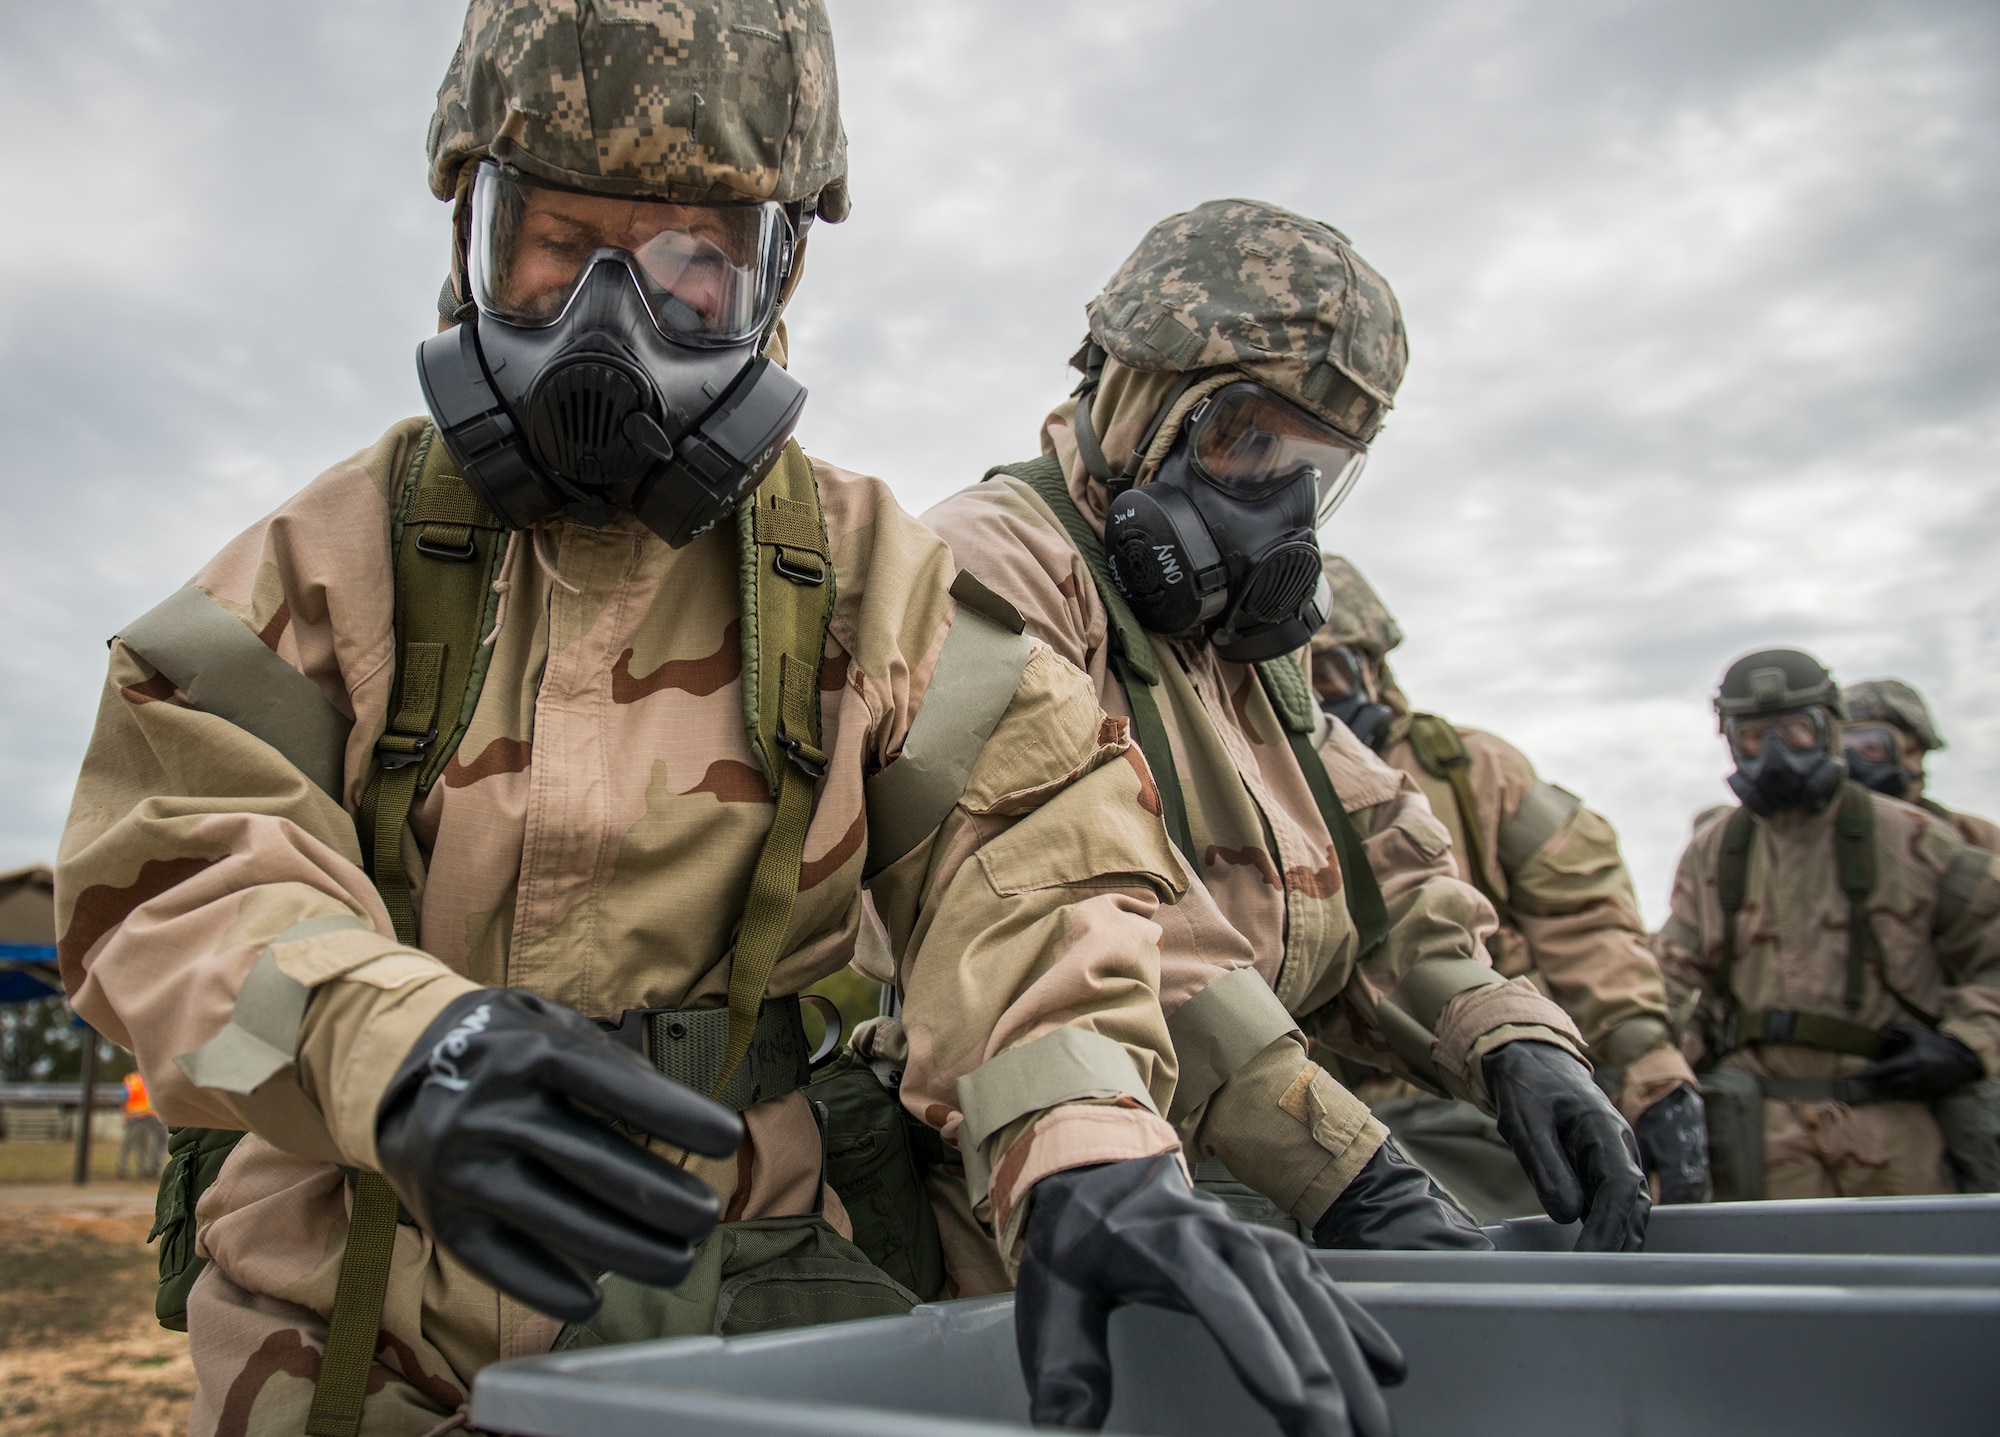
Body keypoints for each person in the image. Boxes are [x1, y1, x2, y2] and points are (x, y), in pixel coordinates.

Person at [53, 10, 1402, 1436]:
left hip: (730, 1315)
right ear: (469, 235)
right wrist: (393, 1049)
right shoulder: (337, 562)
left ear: (779, 273)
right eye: (558, 245)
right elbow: (175, 858)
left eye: (692, 266)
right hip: (354, 1311)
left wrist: (1084, 1142)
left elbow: (1034, 860)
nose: (608, 325)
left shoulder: (871, 581)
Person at [922, 199, 1650, 1258]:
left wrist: (1509, 1040)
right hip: (1062, 1192)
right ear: (1133, 391)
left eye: (1308, 467)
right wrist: (1346, 1165)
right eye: (1241, 441)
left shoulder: (1239, 640)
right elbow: (1056, 903)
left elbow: (1379, 878)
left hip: (1260, 1172)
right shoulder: (990, 566)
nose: (1273, 503)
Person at [1308, 555, 1709, 1215]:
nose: (1319, 693)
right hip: (1327, 1121)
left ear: (1375, 668)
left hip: (1497, 1102)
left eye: (1331, 671)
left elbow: (1585, 919)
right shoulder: (1251, 786)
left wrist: (1651, 1070)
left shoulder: (1472, 770)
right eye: (1297, 672)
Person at [1654, 648, 2000, 1199]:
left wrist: (1967, 1044)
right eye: (1753, 736)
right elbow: (1670, 984)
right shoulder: (1715, 853)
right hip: (1761, 1142)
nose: (1773, 752)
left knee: (1923, 1276)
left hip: (1898, 1128)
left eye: (1796, 730)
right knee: (1773, 1279)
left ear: (1829, 730)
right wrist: (1651, 1071)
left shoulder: (1915, 840)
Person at [1841, 678, 2000, 853]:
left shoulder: (1977, 837)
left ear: (1916, 751)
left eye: (1870, 746)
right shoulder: (1816, 835)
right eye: (1840, 747)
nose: (1851, 761)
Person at [116, 1068, 166, 1179]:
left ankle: (146, 1170)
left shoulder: (152, 1078)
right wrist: (124, 1116)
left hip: (152, 1116)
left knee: (147, 1144)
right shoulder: (132, 1080)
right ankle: (123, 1169)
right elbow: (123, 1099)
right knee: (131, 1144)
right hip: (135, 1117)